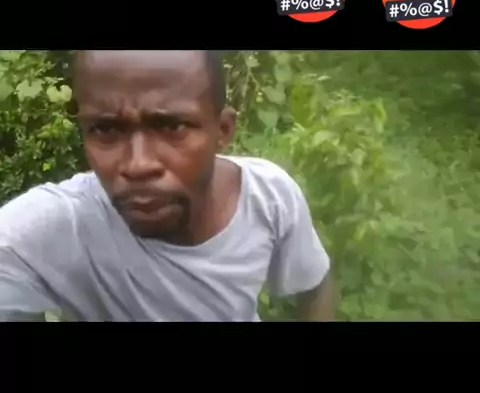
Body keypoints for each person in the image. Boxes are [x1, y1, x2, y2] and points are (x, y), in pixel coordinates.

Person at [0, 50, 335, 322]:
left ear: (222, 130)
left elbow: (316, 287)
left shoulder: (269, 197)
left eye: (172, 126)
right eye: (105, 130)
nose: (138, 165)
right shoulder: (45, 233)